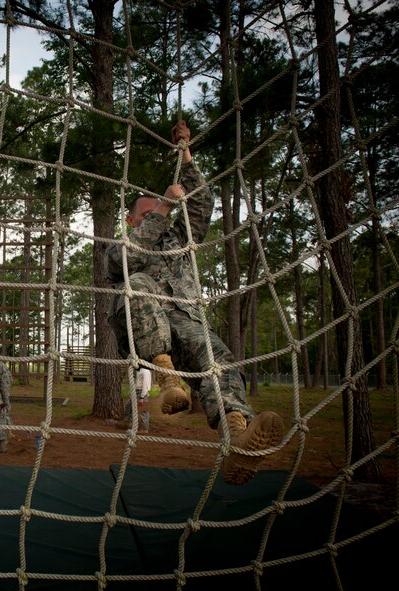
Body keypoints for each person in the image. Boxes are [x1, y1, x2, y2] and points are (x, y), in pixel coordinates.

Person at [104, 120, 284, 486]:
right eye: (150, 214)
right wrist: (164, 208)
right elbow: (123, 263)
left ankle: (238, 438)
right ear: (131, 219)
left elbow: (201, 203)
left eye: (164, 215)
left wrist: (185, 152)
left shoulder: (177, 240)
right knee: (138, 282)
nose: (162, 219)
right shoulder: (122, 246)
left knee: (219, 358)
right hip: (144, 329)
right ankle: (167, 378)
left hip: (186, 321)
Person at [120, 366, 152, 433]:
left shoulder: (145, 371)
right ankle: (128, 422)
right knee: (128, 406)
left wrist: (142, 397)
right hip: (136, 391)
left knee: (143, 411)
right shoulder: (138, 370)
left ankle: (145, 428)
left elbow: (146, 385)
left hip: (142, 392)